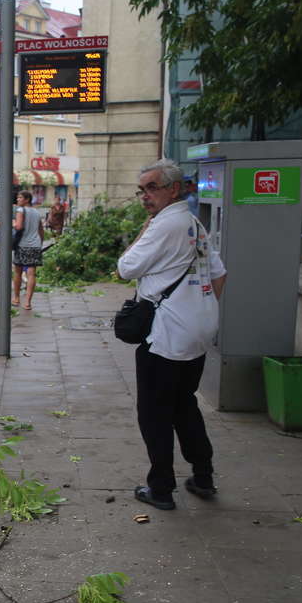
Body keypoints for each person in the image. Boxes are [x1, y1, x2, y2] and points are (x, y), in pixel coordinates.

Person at [118, 158, 228, 511]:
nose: (145, 196)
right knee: (184, 405)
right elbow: (219, 275)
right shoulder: (194, 223)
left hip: (166, 336)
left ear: (174, 188)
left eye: (152, 187)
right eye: (142, 189)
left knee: (154, 413)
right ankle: (203, 474)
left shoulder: (165, 224)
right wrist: (198, 306)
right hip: (196, 331)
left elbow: (125, 267)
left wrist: (143, 230)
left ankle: (161, 488)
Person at [11, 190, 44, 310]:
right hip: (35, 245)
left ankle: (16, 298)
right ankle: (28, 302)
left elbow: (19, 226)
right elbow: (41, 230)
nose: (17, 199)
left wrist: (12, 222)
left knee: (18, 272)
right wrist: (40, 243)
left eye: (20, 198)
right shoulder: (36, 212)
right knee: (31, 274)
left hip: (22, 245)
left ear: (27, 200)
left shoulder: (20, 210)